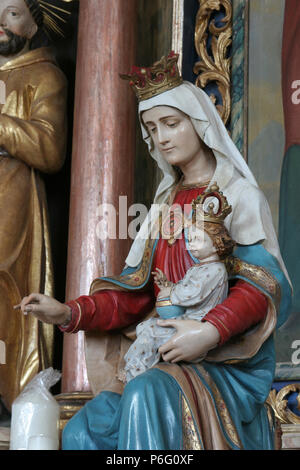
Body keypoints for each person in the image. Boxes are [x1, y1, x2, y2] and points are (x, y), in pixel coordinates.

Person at [17, 53, 292, 450]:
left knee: (146, 394)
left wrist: (209, 331)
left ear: (198, 124)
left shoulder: (238, 195)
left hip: (225, 362)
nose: (161, 137)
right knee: (84, 429)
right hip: (165, 354)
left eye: (171, 123)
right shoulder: (164, 206)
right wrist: (69, 312)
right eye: (152, 128)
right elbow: (137, 295)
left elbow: (262, 285)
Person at [0, 0, 68, 410]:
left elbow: (49, 148)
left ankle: (10, 393)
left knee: (7, 287)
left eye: (11, 12)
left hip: (10, 197)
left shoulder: (44, 75)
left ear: (35, 19)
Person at [123, 186, 235, 383]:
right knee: (145, 327)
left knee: (151, 332)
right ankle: (142, 365)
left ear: (216, 242)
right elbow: (186, 286)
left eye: (198, 240)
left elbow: (192, 293)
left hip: (196, 324)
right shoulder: (198, 268)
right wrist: (168, 284)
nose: (191, 244)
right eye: (190, 239)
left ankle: (136, 372)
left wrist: (171, 291)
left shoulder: (216, 270)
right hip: (185, 317)